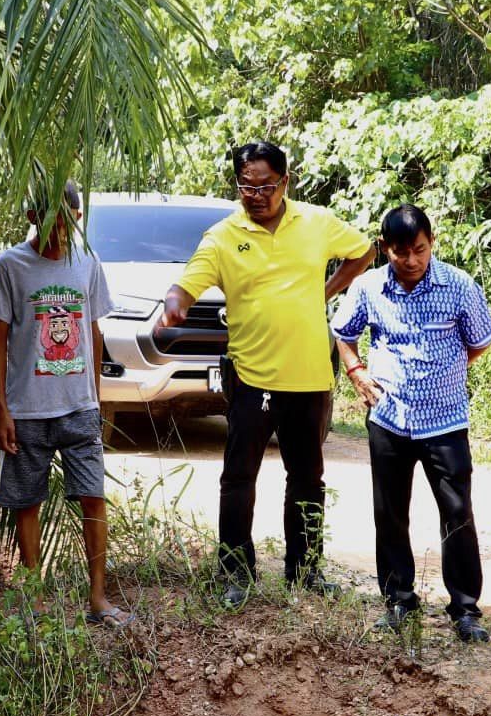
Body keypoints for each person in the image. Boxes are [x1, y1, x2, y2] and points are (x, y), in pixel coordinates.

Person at [159, 142, 374, 607]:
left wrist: (328, 289)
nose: (255, 194)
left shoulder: (316, 222)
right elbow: (187, 283)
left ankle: (306, 570)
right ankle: (236, 573)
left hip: (310, 376)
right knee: (239, 477)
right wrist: (174, 305)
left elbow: (364, 251)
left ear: (285, 181)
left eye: (264, 186)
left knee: (308, 477)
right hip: (250, 376)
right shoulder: (221, 235)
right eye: (246, 186)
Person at [332, 204, 491, 643]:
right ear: (385, 248)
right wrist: (356, 371)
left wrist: (443, 371)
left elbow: (478, 342)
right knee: (389, 513)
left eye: (419, 250)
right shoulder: (368, 287)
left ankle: (465, 610)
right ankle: (399, 600)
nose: (411, 261)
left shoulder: (458, 286)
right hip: (388, 417)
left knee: (458, 513)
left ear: (432, 243)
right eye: (400, 252)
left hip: (444, 420)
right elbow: (343, 332)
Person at [0, 181, 132, 627]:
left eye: (68, 223)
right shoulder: (11, 266)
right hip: (28, 409)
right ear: (33, 216)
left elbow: (95, 330)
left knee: (93, 498)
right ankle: (35, 601)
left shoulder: (87, 261)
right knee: (27, 502)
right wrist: (2, 409)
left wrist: (97, 396)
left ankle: (98, 598)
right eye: (51, 223)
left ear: (79, 218)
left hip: (78, 407)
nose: (60, 234)